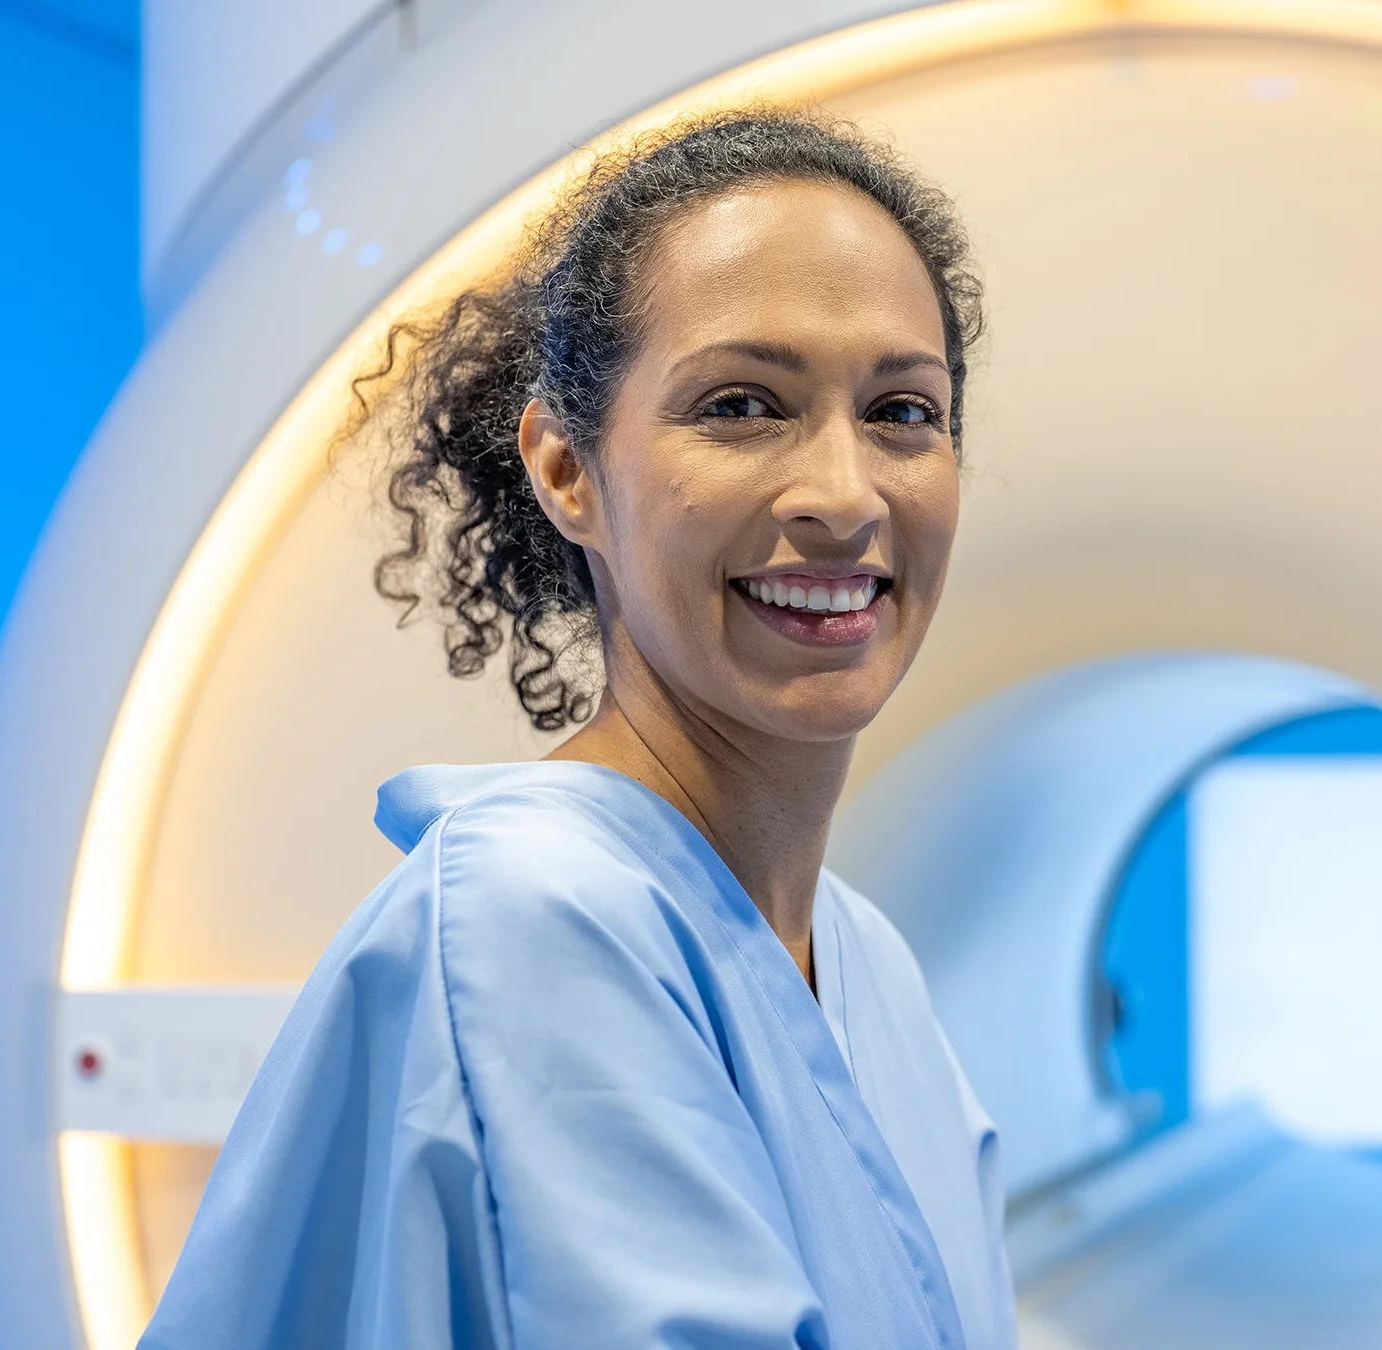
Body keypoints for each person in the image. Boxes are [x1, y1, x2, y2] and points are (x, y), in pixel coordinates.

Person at [140, 109, 1009, 1350]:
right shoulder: (535, 916)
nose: (841, 495)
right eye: (743, 404)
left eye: (903, 413)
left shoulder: (868, 969)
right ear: (564, 468)